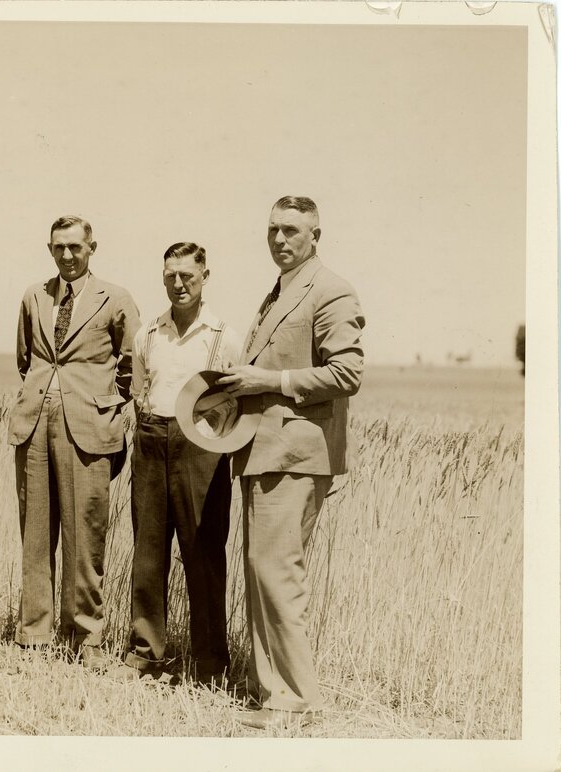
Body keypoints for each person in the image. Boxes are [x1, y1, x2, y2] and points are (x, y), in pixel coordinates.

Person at [218, 196, 365, 728]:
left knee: (277, 572)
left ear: (315, 234)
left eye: (291, 231)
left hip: (296, 453)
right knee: (263, 570)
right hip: (265, 452)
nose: (280, 240)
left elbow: (347, 373)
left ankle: (295, 700)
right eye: (273, 230)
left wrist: (269, 382)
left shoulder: (329, 289)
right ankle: (271, 693)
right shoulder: (280, 291)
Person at [7, 215, 140, 670]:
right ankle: (34, 635)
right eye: (59, 247)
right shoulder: (33, 296)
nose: (67, 255)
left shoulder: (116, 299)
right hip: (33, 426)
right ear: (50, 249)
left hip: (89, 429)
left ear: (92, 248)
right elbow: (27, 361)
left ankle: (87, 636)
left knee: (86, 537)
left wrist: (102, 406)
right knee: (36, 533)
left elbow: (131, 367)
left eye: (75, 247)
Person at [121, 242, 241, 685]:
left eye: (188, 276)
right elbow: (138, 392)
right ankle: (145, 655)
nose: (179, 284)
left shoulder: (224, 335)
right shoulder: (148, 333)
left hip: (203, 450)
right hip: (152, 440)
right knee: (148, 554)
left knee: (203, 554)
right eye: (170, 275)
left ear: (205, 276)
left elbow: (234, 403)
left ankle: (209, 663)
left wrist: (211, 445)